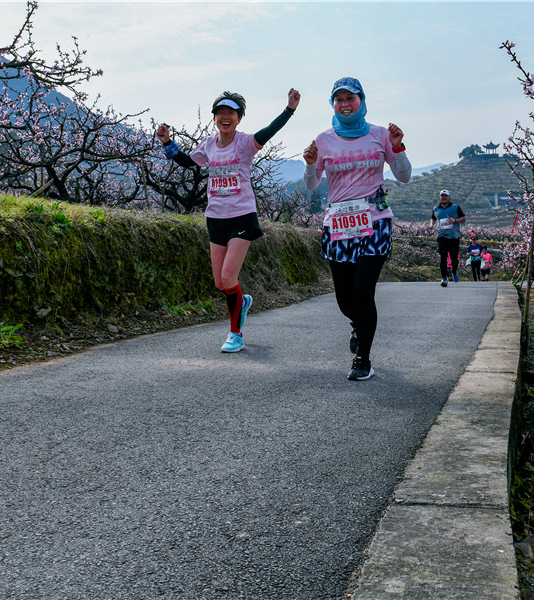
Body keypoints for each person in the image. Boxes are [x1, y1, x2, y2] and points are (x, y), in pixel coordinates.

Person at [157, 88, 301, 353]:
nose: (225, 117)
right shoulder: (209, 144)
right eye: (220, 112)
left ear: (239, 118)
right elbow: (187, 161)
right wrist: (167, 142)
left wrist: (289, 110)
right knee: (220, 283)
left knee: (227, 276)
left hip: (242, 218)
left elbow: (268, 132)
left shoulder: (245, 143)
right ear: (214, 118)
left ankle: (236, 333)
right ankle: (242, 302)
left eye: (231, 113)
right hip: (216, 218)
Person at [302, 77, 412, 381]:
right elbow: (312, 184)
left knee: (363, 292)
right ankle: (359, 325)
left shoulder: (380, 135)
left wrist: (398, 146)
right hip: (338, 224)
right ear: (332, 104)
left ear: (361, 100)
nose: (345, 104)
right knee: (344, 299)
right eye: (339, 99)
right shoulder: (324, 139)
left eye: (350, 98)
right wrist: (311, 165)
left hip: (374, 221)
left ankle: (362, 357)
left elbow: (403, 176)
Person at [429, 190, 466, 287]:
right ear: (440, 197)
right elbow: (433, 217)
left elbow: (463, 218)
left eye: (446, 196)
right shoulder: (436, 209)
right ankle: (444, 278)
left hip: (454, 236)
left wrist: (454, 220)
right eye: (442, 196)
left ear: (449, 197)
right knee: (443, 257)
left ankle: (454, 272)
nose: (444, 197)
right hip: (441, 236)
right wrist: (431, 224)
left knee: (454, 258)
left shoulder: (455, 207)